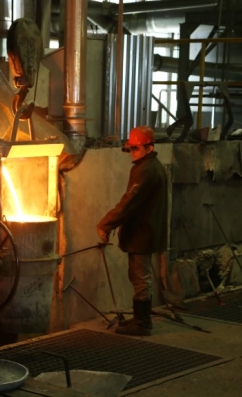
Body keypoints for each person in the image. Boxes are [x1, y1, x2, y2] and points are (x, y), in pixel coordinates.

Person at [96, 125, 168, 336]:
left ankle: (142, 323)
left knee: (141, 277)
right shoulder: (150, 166)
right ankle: (139, 318)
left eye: (136, 148)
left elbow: (129, 202)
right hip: (144, 231)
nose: (132, 153)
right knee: (138, 276)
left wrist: (105, 224)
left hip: (142, 232)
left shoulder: (146, 170)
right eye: (131, 148)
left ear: (149, 148)